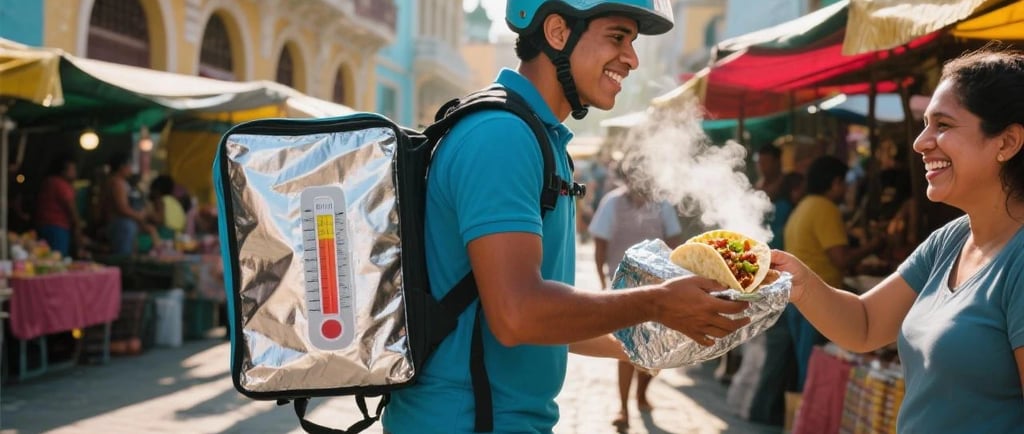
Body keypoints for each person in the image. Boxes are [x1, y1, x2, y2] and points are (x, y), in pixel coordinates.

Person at [381, 2, 750, 432]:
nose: (632, 58)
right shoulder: (503, 137)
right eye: (617, 37)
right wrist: (658, 301)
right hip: (467, 422)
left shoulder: (540, 138)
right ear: (557, 32)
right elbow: (518, 314)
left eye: (633, 42)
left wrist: (655, 336)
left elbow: (548, 323)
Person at [772, 48, 1024, 433]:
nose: (921, 142)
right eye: (924, 124)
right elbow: (865, 324)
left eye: (942, 125)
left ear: (1006, 142)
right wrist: (799, 281)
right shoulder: (949, 241)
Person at [587, 163, 687, 429]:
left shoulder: (662, 204)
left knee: (659, 347)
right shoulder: (611, 203)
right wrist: (602, 281)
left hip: (659, 287)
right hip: (623, 287)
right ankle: (623, 408)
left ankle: (642, 392)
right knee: (625, 348)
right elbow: (600, 244)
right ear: (628, 177)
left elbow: (676, 243)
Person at [782, 155, 882, 391]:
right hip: (818, 302)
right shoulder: (825, 208)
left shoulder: (804, 206)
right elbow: (840, 260)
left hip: (796, 299)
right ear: (835, 182)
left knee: (806, 369)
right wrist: (875, 245)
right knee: (814, 373)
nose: (847, 188)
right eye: (845, 182)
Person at [100, 153, 152, 256]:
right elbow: (122, 208)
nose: (130, 169)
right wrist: (139, 216)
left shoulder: (113, 181)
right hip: (122, 225)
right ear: (122, 166)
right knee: (124, 258)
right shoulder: (117, 183)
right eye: (129, 166)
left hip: (122, 225)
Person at [35, 155, 84, 258]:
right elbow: (71, 209)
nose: (75, 173)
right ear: (63, 171)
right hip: (57, 228)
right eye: (73, 169)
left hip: (43, 225)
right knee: (57, 258)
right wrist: (77, 226)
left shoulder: (48, 182)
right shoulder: (61, 184)